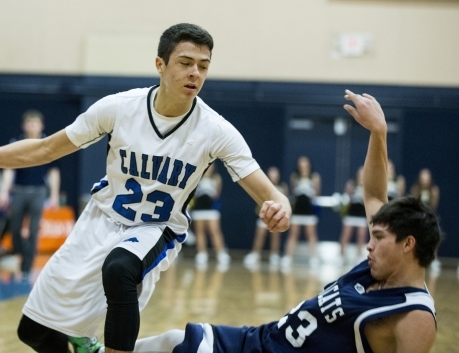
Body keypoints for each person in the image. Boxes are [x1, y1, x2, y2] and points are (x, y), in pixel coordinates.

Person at [0, 23, 291, 353]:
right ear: (160, 65)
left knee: (120, 269)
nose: (195, 72)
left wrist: (280, 207)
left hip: (156, 229)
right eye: (185, 62)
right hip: (100, 220)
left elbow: (269, 193)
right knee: (34, 331)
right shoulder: (118, 108)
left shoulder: (216, 130)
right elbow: (44, 148)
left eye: (203, 65)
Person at [131, 90, 441, 353]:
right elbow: (374, 194)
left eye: (379, 238)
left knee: (179, 345)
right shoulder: (383, 267)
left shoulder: (415, 316)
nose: (369, 246)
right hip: (262, 340)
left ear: (408, 244)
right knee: (176, 341)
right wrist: (378, 133)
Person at [0, 110, 61, 276]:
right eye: (29, 123)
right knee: (15, 228)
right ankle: (21, 254)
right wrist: (3, 191)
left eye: (35, 123)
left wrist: (54, 196)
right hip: (19, 190)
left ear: (41, 126)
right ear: (24, 125)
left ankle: (27, 267)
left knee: (33, 230)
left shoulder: (48, 143)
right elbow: (9, 168)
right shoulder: (17, 143)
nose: (32, 127)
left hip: (38, 191)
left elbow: (53, 172)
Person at [244, 166, 289, 269]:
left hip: (277, 216)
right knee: (259, 235)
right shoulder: (264, 187)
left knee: (276, 235)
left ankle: (274, 256)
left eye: (275, 174)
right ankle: (255, 254)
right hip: (265, 215)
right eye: (271, 174)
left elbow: (285, 200)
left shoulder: (283, 187)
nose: (273, 176)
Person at [281, 156, 321, 270]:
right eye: (301, 164)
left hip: (308, 210)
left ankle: (314, 258)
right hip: (298, 209)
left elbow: (317, 193)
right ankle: (287, 258)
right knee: (293, 234)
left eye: (305, 163)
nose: (303, 165)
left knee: (311, 235)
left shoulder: (315, 177)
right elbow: (293, 192)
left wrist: (309, 189)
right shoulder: (294, 177)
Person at [190, 162, 230, 268]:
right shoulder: (197, 177)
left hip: (211, 209)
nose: (209, 168)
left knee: (215, 231)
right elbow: (193, 193)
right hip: (199, 209)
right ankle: (201, 253)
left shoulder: (216, 178)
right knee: (200, 232)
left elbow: (217, 194)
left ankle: (221, 254)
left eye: (211, 165)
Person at [410, 168, 441, 273]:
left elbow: (434, 205)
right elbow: (414, 204)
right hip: (418, 218)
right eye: (423, 177)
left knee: (433, 239)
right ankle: (416, 259)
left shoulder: (434, 190)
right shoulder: (415, 189)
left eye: (427, 177)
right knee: (417, 238)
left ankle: (434, 260)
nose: (425, 179)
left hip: (430, 217)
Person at [338, 166, 368, 265]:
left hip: (362, 214)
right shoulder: (351, 184)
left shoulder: (369, 186)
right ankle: (341, 256)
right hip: (351, 214)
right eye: (360, 173)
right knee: (346, 235)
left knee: (361, 235)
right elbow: (346, 199)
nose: (361, 175)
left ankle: (359, 257)